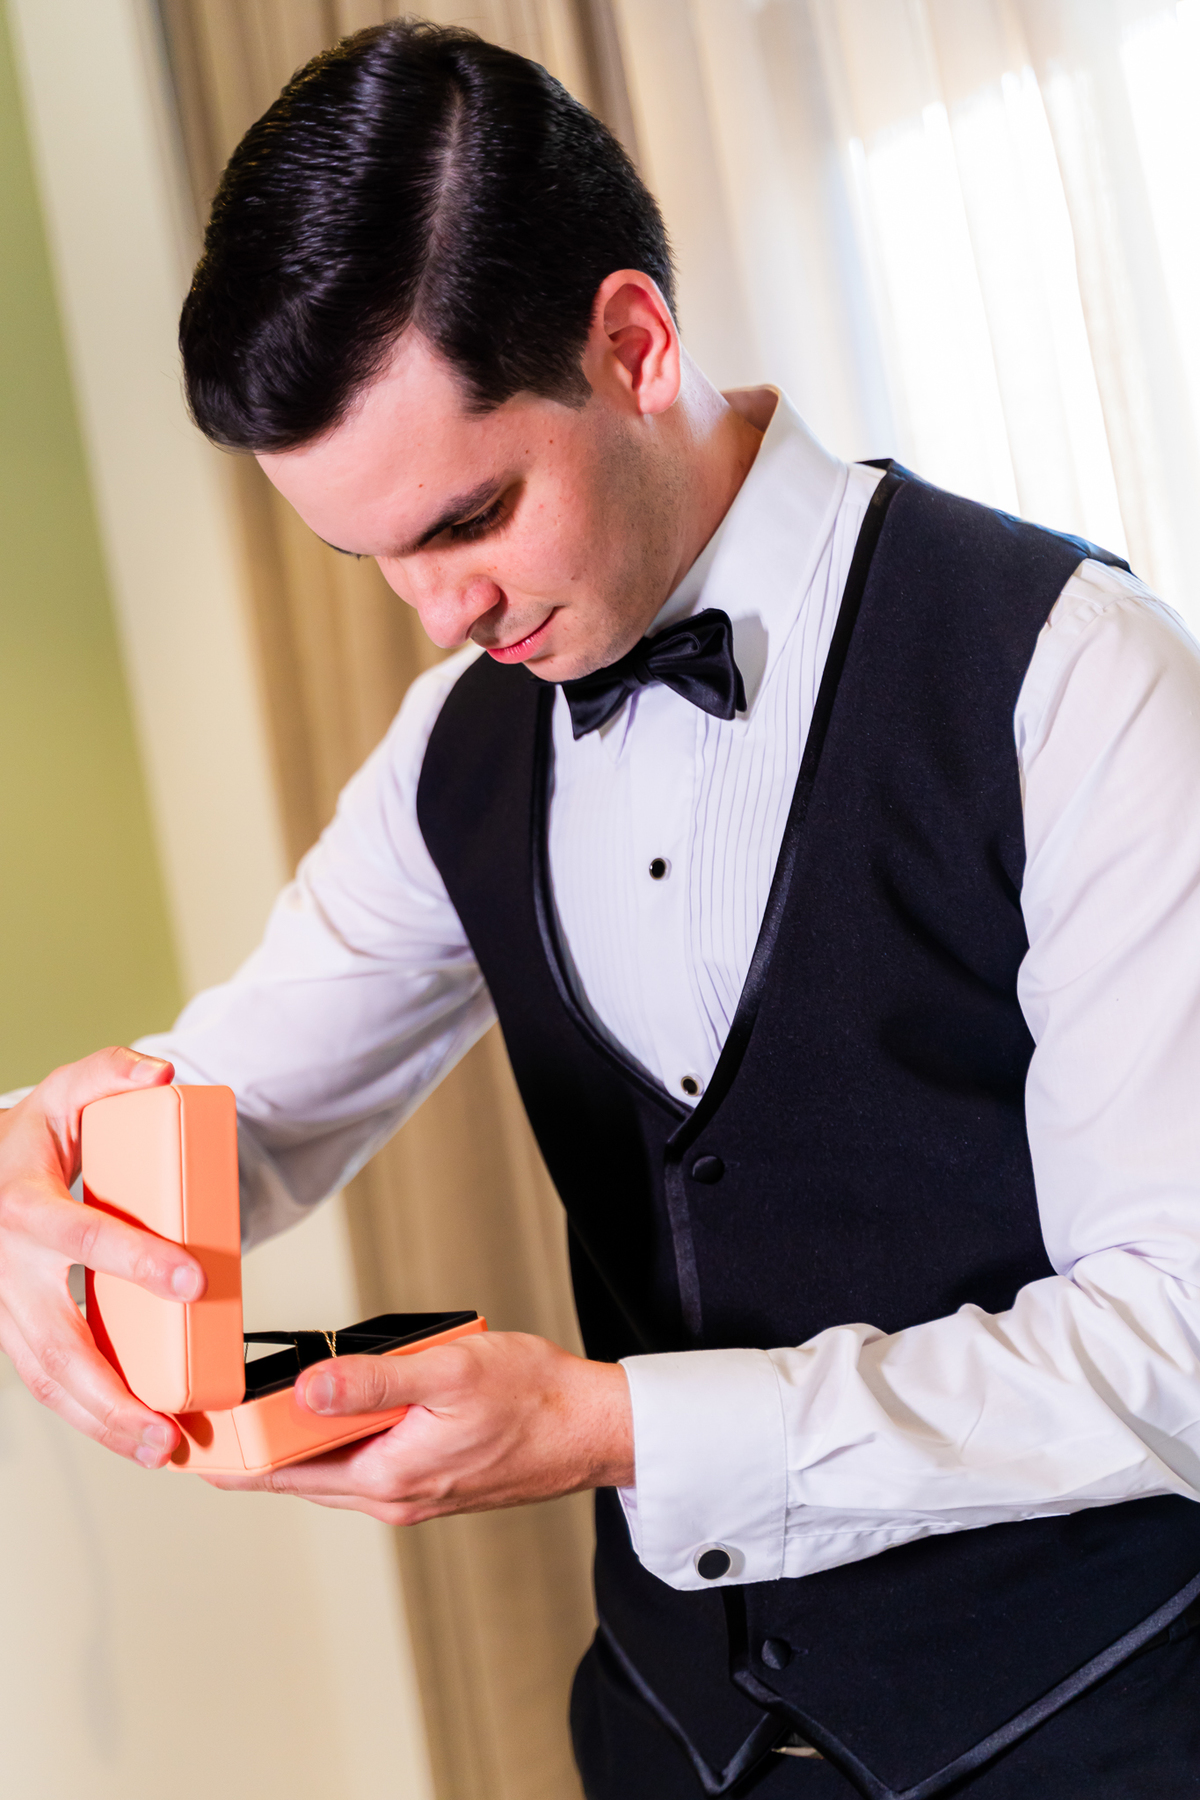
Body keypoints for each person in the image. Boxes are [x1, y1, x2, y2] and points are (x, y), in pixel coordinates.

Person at [2, 19, 1200, 1798]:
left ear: (632, 344)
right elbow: (237, 1110)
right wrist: (51, 1173)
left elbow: (1178, 1339)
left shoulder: (1077, 678)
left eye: (468, 518)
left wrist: (611, 1425)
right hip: (664, 1744)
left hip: (1092, 1734)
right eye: (371, 556)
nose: (437, 615)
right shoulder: (454, 745)